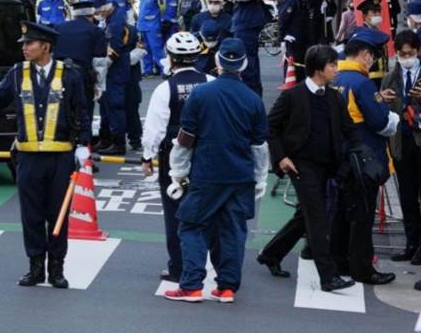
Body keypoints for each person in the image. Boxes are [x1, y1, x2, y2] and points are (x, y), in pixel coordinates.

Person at [0, 21, 91, 289]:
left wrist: (84, 145)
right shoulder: (17, 73)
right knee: (31, 215)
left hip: (60, 157)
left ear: (45, 46)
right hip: (28, 158)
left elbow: (82, 111)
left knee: (57, 214)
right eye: (24, 44)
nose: (24, 48)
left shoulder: (70, 74)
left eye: (30, 44)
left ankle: (56, 268)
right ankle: (35, 267)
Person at [164, 38, 269, 304]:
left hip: (207, 173)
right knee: (233, 232)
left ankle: (191, 285)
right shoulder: (253, 99)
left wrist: (177, 172)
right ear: (244, 65)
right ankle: (227, 287)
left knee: (191, 225)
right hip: (241, 175)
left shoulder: (201, 94)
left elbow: (185, 138)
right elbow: (259, 146)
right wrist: (260, 179)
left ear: (218, 62)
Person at [257, 45, 359, 292]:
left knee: (305, 216)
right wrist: (281, 157)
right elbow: (271, 126)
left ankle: (271, 254)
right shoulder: (293, 96)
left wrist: (360, 149)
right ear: (317, 69)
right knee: (317, 218)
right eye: (332, 65)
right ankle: (328, 276)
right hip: (300, 165)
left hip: (328, 165)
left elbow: (348, 128)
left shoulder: (333, 96)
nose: (336, 69)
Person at [141, 32, 214, 283]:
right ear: (196, 56)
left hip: (174, 160)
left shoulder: (165, 89)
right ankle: (210, 263)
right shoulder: (210, 82)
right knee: (207, 211)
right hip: (207, 158)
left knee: (175, 213)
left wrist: (147, 157)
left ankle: (179, 267)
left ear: (171, 59)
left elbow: (155, 129)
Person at [331, 28, 399, 285]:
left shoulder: (335, 77)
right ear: (364, 54)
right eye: (372, 54)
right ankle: (362, 268)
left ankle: (339, 260)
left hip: (342, 156)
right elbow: (380, 122)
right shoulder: (361, 83)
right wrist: (389, 114)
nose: (373, 60)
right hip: (364, 158)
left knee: (341, 211)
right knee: (362, 215)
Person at [382, 31, 421, 264]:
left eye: (411, 53)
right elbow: (378, 105)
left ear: (418, 52)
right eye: (402, 54)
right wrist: (380, 98)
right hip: (400, 143)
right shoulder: (391, 77)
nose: (407, 58)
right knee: (406, 196)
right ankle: (411, 243)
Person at [55, 1, 108, 129]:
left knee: (60, 109)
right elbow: (99, 62)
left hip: (59, 74)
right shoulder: (96, 31)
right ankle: (84, 142)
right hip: (83, 75)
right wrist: (99, 85)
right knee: (85, 110)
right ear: (91, 15)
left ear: (74, 15)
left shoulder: (58, 28)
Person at [96, 0, 131, 155]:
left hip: (116, 70)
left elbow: (115, 46)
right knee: (105, 105)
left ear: (107, 7)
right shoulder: (110, 19)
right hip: (111, 71)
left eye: (99, 11)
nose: (98, 15)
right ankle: (106, 139)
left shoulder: (116, 21)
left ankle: (118, 143)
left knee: (115, 106)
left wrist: (105, 63)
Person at [279, 0, 313, 83]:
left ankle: (299, 86)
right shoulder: (293, 1)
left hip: (302, 39)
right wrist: (283, 37)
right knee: (291, 64)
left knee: (301, 66)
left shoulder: (305, 1)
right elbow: (283, 19)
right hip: (293, 38)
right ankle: (290, 87)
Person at [137, 0, 166, 76]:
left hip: (153, 26)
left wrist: (154, 17)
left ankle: (165, 70)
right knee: (145, 50)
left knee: (157, 49)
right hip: (142, 25)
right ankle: (148, 71)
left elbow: (163, 7)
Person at [356, 0, 389, 88]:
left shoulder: (379, 33)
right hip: (368, 81)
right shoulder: (362, 36)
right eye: (374, 12)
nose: (377, 15)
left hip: (382, 81)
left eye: (379, 11)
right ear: (365, 16)